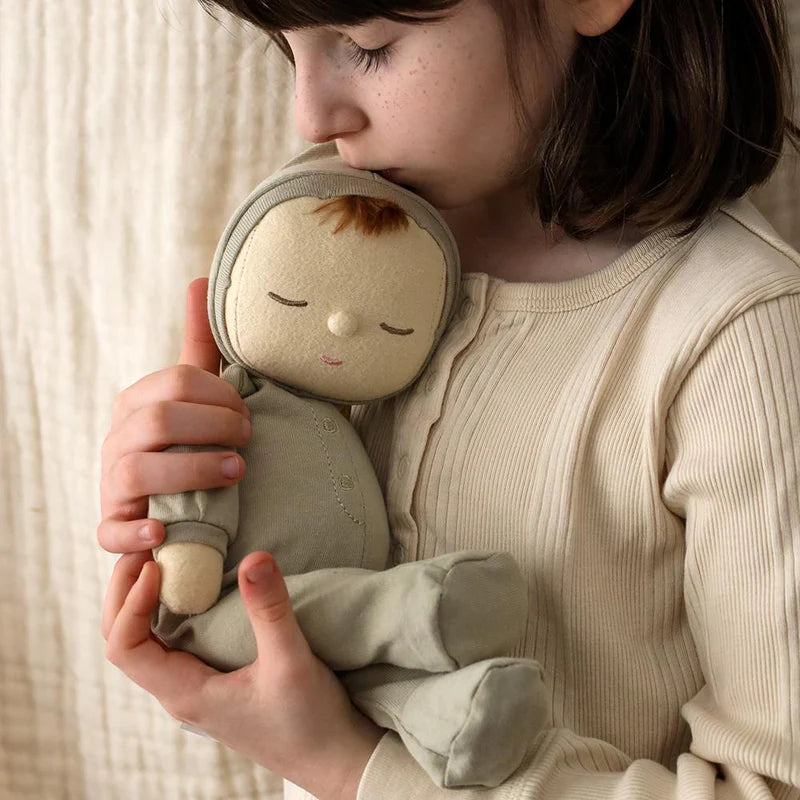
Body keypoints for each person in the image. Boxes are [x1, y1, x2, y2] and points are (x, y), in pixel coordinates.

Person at [97, 0, 800, 798]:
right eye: (287, 51)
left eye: (367, 45)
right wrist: (181, 519)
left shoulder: (738, 339)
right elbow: (288, 641)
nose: (310, 117)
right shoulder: (329, 247)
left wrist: (347, 764)